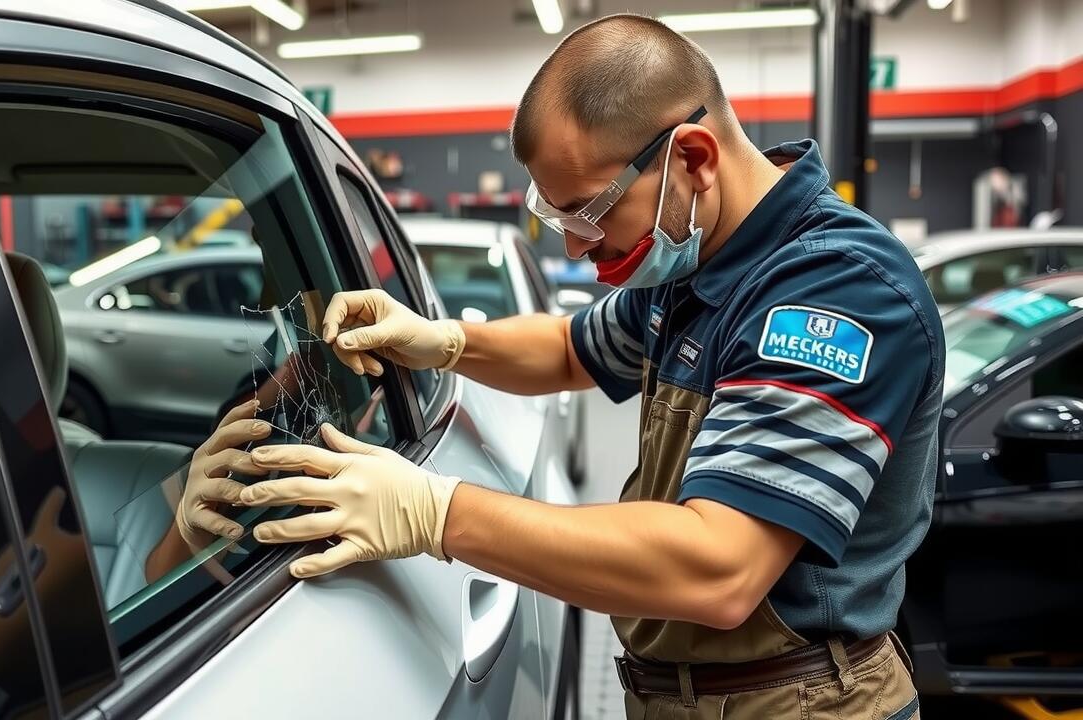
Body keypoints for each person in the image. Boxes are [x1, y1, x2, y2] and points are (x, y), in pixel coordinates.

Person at [221, 14, 942, 719]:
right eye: (562, 222)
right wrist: (442, 341)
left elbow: (721, 567)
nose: (575, 250)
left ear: (692, 159)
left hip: (799, 702)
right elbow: (572, 350)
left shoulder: (836, 291)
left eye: (589, 215)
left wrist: (435, 511)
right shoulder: (697, 256)